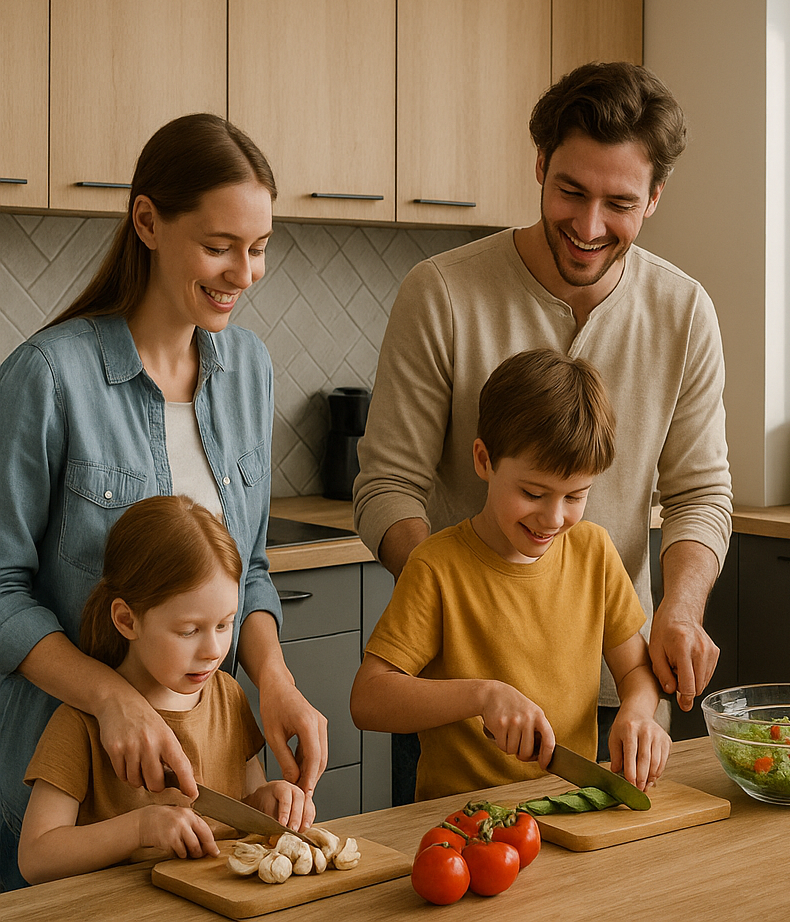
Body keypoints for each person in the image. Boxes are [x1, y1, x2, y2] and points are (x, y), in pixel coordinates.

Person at [353, 62, 732, 739]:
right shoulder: (441, 293)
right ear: (539, 166)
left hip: (619, 683)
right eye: (570, 191)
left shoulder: (684, 311)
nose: (588, 226)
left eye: (618, 204)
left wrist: (681, 607)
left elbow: (699, 493)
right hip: (464, 690)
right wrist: (472, 610)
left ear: (654, 198)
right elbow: (387, 486)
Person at [0, 114, 327, 890]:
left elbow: (245, 568)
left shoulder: (248, 367)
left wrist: (273, 677)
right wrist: (112, 699)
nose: (243, 274)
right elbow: (2, 589)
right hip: (67, 799)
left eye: (259, 249)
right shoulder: (48, 376)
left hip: (200, 793)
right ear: (147, 221)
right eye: (219, 246)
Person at [350, 349, 670, 801]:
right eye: (533, 493)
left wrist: (639, 712)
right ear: (484, 460)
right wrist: (482, 696)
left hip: (567, 807)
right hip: (461, 821)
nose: (553, 518)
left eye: (576, 496)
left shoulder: (595, 552)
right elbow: (368, 700)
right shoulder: (436, 567)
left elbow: (635, 667)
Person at [18, 497, 311, 885]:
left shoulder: (227, 696)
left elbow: (245, 806)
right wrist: (140, 829)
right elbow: (36, 857)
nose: (213, 652)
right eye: (189, 631)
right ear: (127, 620)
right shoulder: (81, 721)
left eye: (225, 625)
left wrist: (269, 802)